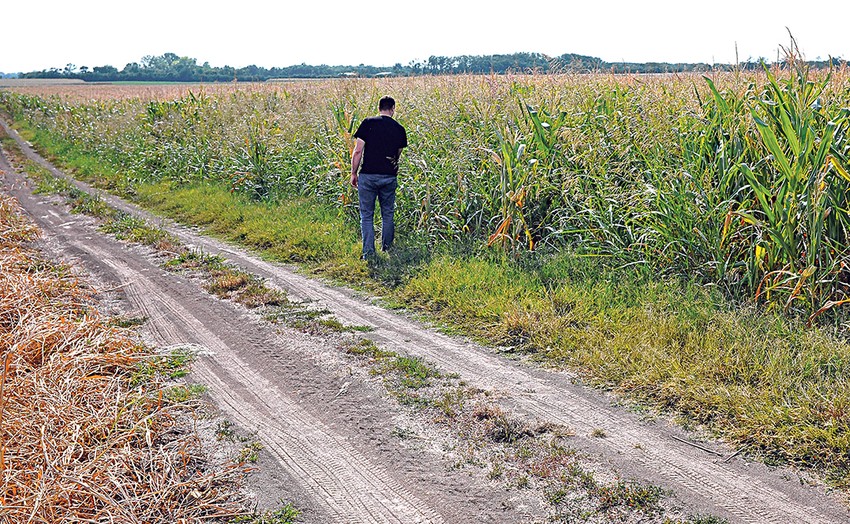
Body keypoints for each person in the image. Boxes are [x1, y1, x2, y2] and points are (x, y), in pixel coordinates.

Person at [350, 96, 408, 259]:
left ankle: (368, 253)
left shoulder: (368, 123)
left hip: (368, 175)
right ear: (393, 108)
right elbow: (397, 155)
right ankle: (387, 249)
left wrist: (354, 173)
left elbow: (358, 151)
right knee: (387, 213)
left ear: (379, 108)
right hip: (389, 176)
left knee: (367, 215)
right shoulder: (399, 129)